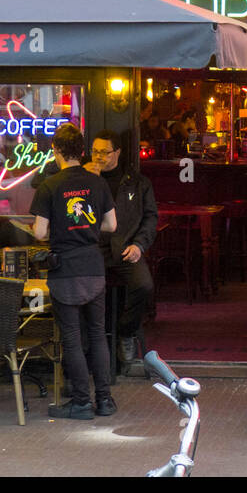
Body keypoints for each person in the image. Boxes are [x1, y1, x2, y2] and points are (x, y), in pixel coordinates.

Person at [30, 123, 117, 420]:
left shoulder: (49, 186)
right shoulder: (97, 183)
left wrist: (59, 228)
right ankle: (104, 400)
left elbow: (40, 232)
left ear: (56, 151)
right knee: (97, 334)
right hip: (93, 265)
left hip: (65, 268)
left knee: (71, 337)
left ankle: (81, 402)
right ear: (82, 151)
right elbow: (111, 226)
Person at [85, 129, 156, 365]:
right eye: (95, 152)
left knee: (143, 286)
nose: (99, 157)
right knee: (83, 290)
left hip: (126, 248)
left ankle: (125, 332)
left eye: (104, 152)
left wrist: (139, 245)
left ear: (117, 152)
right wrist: (84, 180)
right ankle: (90, 345)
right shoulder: (83, 180)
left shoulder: (136, 182)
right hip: (93, 250)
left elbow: (150, 218)